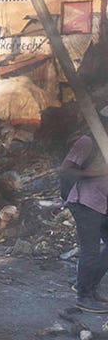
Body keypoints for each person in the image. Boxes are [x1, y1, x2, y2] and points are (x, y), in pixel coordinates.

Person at [62, 130, 108, 312]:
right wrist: (95, 172)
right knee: (91, 250)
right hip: (85, 202)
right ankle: (83, 296)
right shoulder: (88, 141)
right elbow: (65, 169)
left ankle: (90, 286)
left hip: (103, 204)